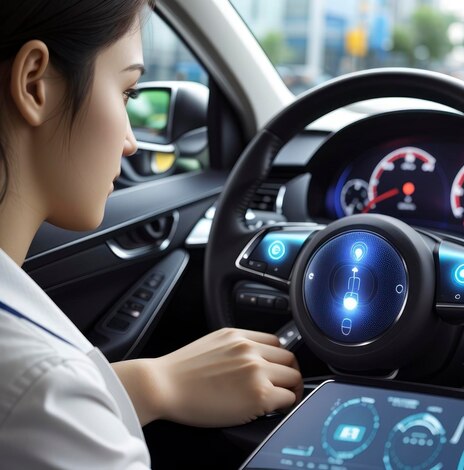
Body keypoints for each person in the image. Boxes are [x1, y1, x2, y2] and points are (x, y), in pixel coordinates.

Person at [0, 1, 303, 467]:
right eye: (128, 92)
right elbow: (40, 395)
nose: (131, 141)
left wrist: (153, 384)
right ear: (35, 84)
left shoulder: (44, 387)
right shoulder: (45, 393)